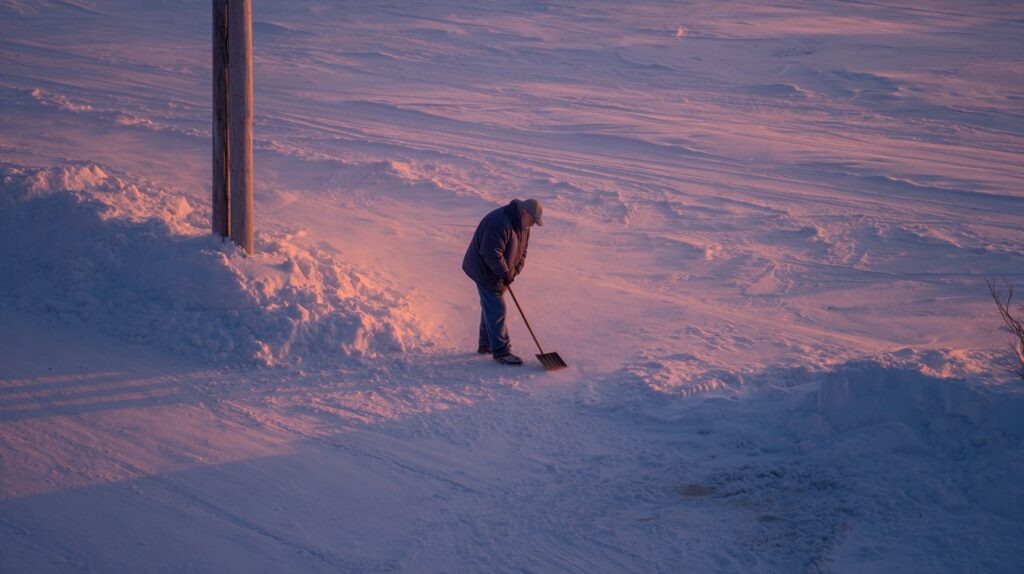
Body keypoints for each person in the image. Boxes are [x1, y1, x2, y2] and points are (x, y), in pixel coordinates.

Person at [462, 198, 543, 365]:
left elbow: (523, 252)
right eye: (532, 220)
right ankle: (501, 352)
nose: (533, 225)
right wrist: (505, 273)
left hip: (500, 272)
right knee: (497, 308)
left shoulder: (524, 226)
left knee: (490, 306)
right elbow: (491, 254)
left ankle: (486, 344)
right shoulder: (498, 223)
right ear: (523, 212)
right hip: (484, 270)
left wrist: (514, 272)